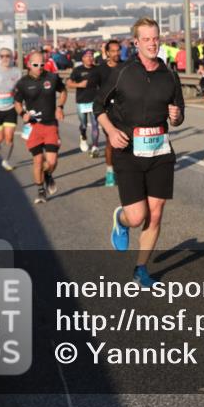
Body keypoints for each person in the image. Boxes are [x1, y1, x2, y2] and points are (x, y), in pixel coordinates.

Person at [98, 18, 184, 287]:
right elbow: (98, 107)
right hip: (128, 151)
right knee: (137, 217)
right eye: (146, 39)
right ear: (136, 43)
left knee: (155, 213)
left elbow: (178, 116)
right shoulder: (123, 73)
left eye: (155, 38)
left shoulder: (169, 75)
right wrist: (111, 132)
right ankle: (120, 219)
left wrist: (177, 115)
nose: (152, 43)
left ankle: (140, 269)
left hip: (159, 151)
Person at [14, 52, 67, 204]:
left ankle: (48, 175)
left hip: (50, 124)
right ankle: (41, 191)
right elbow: (17, 103)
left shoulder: (52, 77)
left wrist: (60, 107)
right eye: (36, 65)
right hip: (33, 126)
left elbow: (63, 91)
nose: (39, 68)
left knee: (51, 162)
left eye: (42, 64)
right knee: (37, 161)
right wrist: (22, 113)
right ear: (29, 64)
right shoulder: (23, 83)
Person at [91, 39, 122, 186]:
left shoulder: (125, 67)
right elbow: (93, 89)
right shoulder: (100, 70)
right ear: (107, 53)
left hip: (124, 109)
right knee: (111, 142)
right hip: (108, 111)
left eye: (118, 50)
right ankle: (110, 172)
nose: (116, 53)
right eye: (113, 51)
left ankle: (124, 170)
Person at [67, 49, 101, 157]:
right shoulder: (77, 70)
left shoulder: (98, 69)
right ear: (82, 58)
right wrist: (79, 85)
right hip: (82, 101)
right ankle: (83, 136)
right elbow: (68, 83)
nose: (90, 58)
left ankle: (95, 146)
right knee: (83, 124)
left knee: (95, 124)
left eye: (91, 56)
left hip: (95, 101)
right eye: (87, 56)